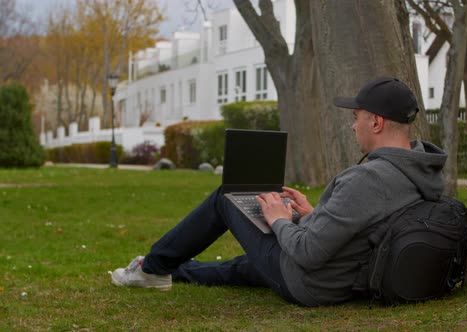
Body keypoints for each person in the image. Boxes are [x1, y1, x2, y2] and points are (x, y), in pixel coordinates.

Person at [111, 77, 447, 307]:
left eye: (357, 117)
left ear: (375, 123)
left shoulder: (368, 178)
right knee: (247, 266)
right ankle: (173, 269)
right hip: (345, 275)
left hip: (312, 284)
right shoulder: (420, 171)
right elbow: (369, 229)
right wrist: (312, 215)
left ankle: (151, 270)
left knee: (226, 197)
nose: (352, 124)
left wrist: (279, 220)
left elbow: (307, 253)